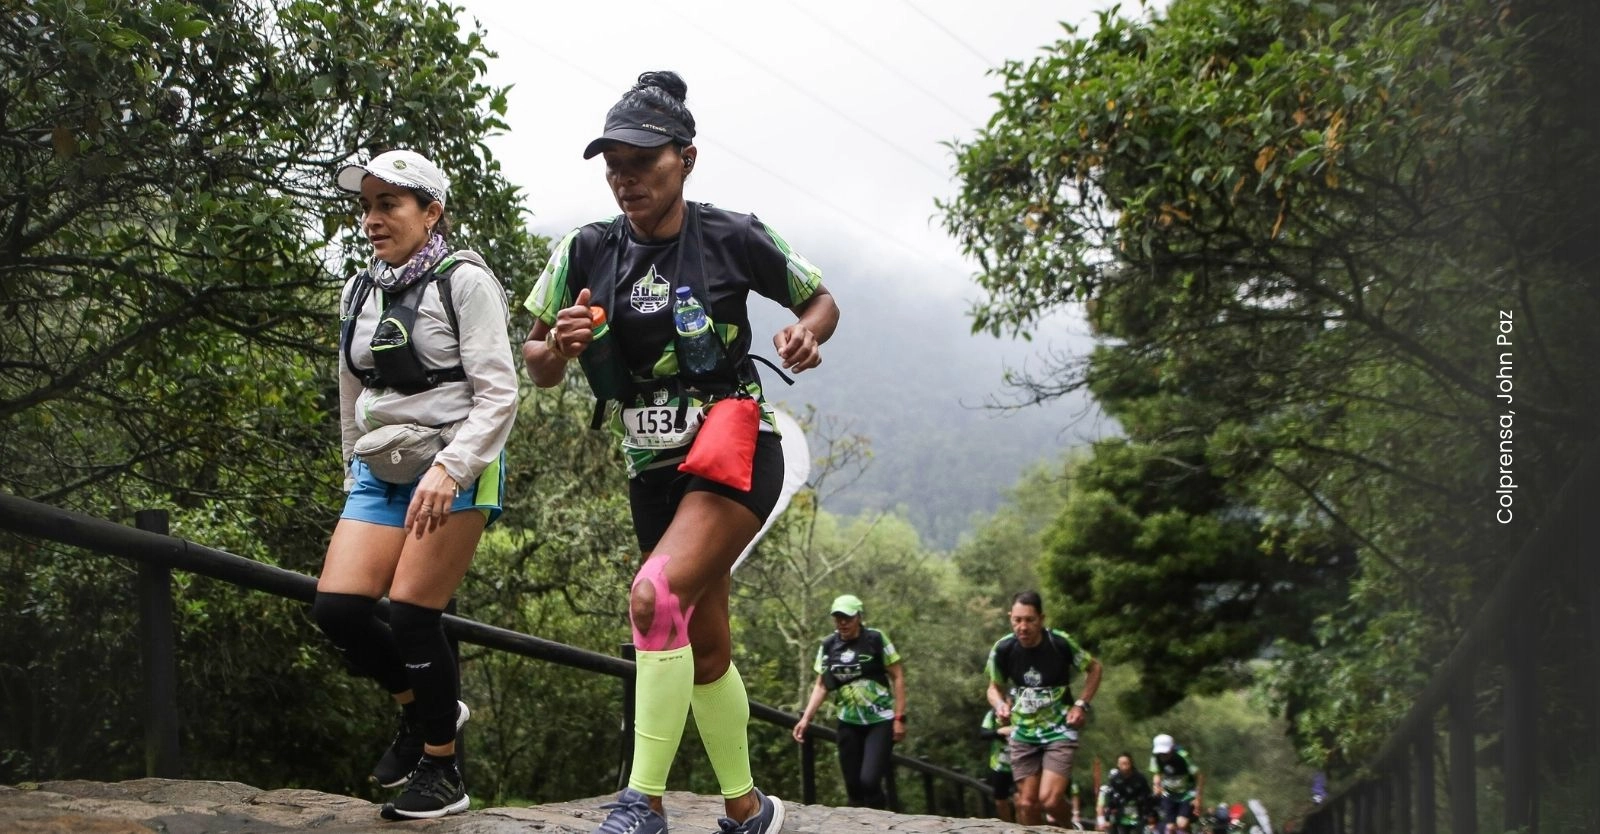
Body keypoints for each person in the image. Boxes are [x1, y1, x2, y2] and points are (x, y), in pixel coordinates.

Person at [521, 70, 839, 834]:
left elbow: (818, 298)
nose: (626, 180)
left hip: (738, 448)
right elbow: (533, 359)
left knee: (652, 598)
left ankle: (643, 804)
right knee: (700, 646)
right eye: (615, 166)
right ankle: (748, 809)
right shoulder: (587, 248)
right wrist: (556, 348)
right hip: (651, 467)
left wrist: (806, 334)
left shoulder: (732, 233)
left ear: (687, 159)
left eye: (644, 163)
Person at [312, 149, 517, 819]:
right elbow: (352, 392)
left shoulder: (465, 282)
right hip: (381, 467)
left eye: (389, 204)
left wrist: (450, 469)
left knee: (411, 614)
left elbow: (499, 394)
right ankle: (423, 709)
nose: (372, 218)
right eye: (366, 205)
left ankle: (441, 770)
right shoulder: (358, 290)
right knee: (339, 611)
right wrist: (352, 471)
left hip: (457, 463)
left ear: (432, 212)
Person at [985, 591, 1104, 827]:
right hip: (1023, 732)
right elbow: (993, 688)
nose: (1023, 627)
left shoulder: (1059, 643)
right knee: (1027, 804)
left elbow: (1095, 668)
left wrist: (1081, 704)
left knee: (1049, 800)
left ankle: (1071, 827)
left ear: (1042, 618)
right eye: (1017, 620)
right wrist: (999, 705)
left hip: (1059, 729)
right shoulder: (1003, 649)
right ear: (1010, 618)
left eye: (1030, 620)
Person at [792, 594, 907, 810]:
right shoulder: (828, 645)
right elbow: (822, 685)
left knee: (869, 781)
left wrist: (900, 717)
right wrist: (806, 718)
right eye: (838, 618)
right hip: (848, 721)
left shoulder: (876, 639)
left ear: (859, 617)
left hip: (879, 721)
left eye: (848, 618)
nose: (842, 623)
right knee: (853, 786)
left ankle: (883, 822)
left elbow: (898, 676)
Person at [1150, 733, 1204, 834]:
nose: (1163, 756)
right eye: (1161, 753)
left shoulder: (1183, 756)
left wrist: (1198, 798)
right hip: (1169, 794)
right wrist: (1156, 786)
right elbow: (1157, 773)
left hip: (1186, 794)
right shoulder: (1155, 758)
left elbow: (1199, 776)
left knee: (1182, 824)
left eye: (1165, 753)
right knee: (1170, 828)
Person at [1097, 753, 1153, 834]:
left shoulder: (1140, 778)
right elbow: (1111, 800)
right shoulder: (1115, 779)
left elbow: (1148, 796)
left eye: (1126, 763)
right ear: (1118, 764)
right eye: (1121, 763)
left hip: (1139, 814)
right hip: (1121, 815)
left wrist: (1150, 814)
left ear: (1131, 763)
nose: (1124, 766)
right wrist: (1106, 819)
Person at [978, 709, 1016, 822]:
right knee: (1000, 802)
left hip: (1020, 765)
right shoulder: (992, 713)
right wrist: (999, 732)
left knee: (1021, 801)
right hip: (999, 766)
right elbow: (983, 734)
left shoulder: (1022, 711)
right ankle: (1009, 828)